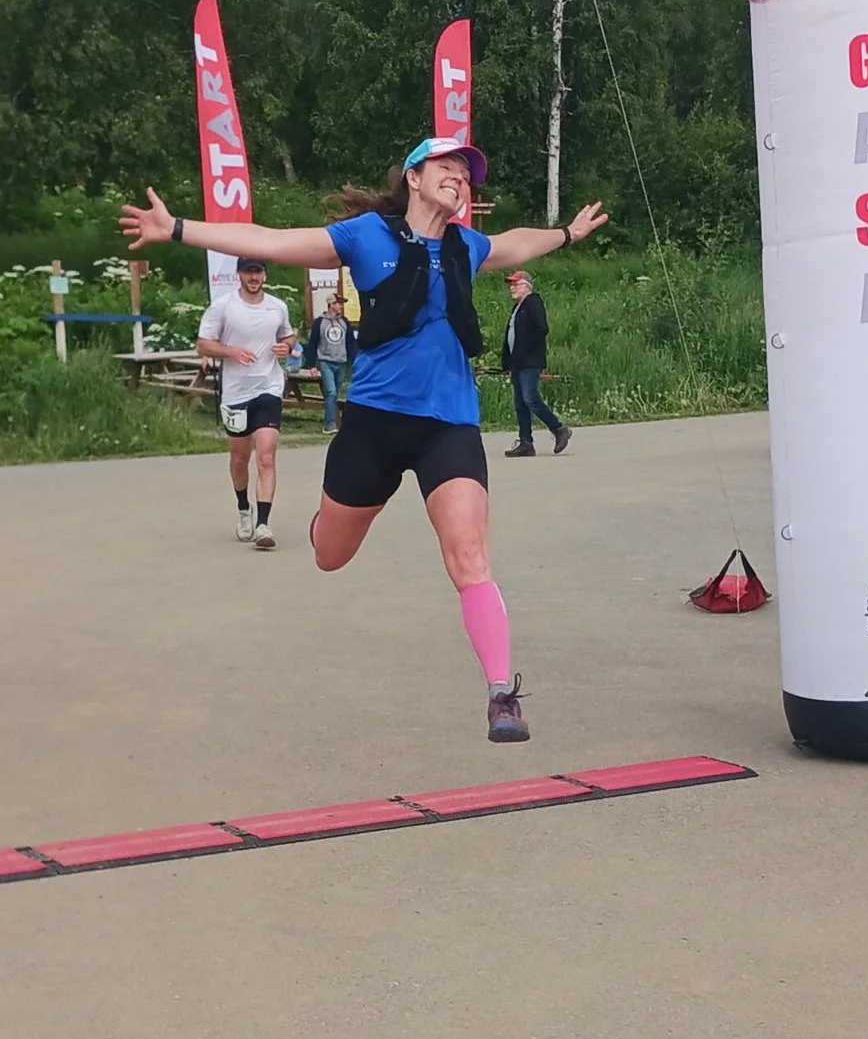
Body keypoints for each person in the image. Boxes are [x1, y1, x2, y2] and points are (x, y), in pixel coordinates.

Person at [122, 144, 607, 741]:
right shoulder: (367, 235)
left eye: (467, 173)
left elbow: (514, 243)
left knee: (470, 556)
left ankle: (501, 693)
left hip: (448, 425)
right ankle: (321, 521)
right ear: (413, 178)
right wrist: (177, 229)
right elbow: (271, 240)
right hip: (374, 424)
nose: (459, 177)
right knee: (330, 555)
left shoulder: (465, 246)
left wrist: (566, 233)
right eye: (446, 168)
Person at [195, 253, 296, 549]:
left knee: (266, 456)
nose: (254, 277)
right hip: (237, 392)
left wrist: (285, 346)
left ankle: (263, 524)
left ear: (265, 275)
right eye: (248, 272)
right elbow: (203, 344)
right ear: (238, 275)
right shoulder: (224, 307)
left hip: (269, 387)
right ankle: (244, 509)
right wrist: (231, 352)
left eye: (258, 272)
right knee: (240, 458)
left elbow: (290, 336)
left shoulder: (277, 307)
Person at [500, 267, 571, 458]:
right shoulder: (517, 308)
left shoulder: (533, 302)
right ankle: (525, 443)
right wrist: (507, 363)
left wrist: (523, 353)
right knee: (520, 403)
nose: (512, 288)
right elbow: (510, 337)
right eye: (511, 285)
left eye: (515, 284)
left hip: (529, 361)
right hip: (517, 364)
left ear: (526, 286)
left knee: (531, 398)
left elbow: (541, 329)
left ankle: (558, 429)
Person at [310, 283, 352, 432]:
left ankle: (334, 421)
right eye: (338, 303)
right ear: (331, 305)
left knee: (335, 394)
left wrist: (352, 362)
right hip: (325, 361)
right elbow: (313, 343)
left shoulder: (344, 322)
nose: (340, 306)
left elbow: (349, 343)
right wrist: (312, 365)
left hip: (341, 361)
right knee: (331, 392)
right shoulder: (319, 322)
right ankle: (329, 424)